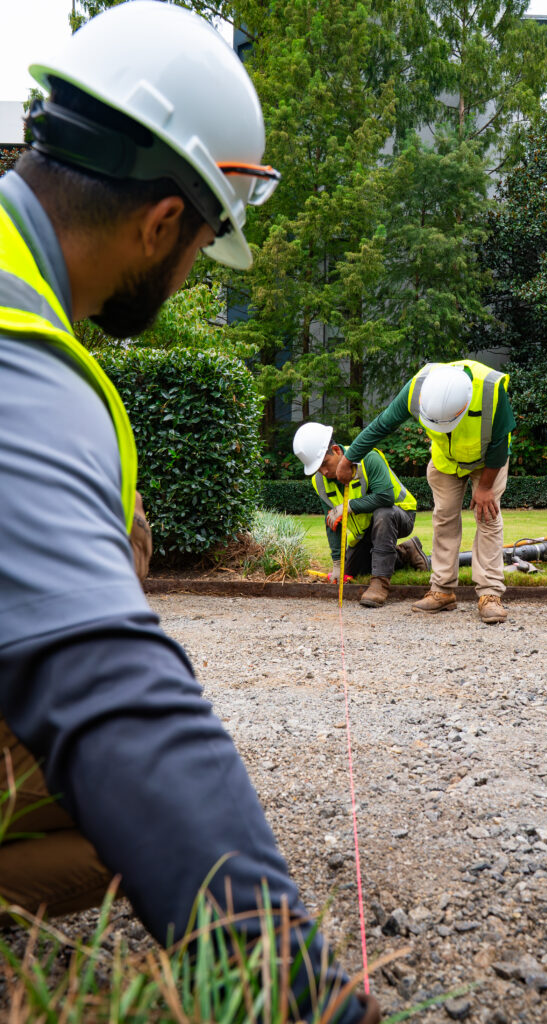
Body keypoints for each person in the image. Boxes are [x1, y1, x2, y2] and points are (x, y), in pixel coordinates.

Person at [0, 5, 378, 1021]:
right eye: (202, 240)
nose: (186, 270)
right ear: (164, 221)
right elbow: (109, 693)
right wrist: (296, 989)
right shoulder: (17, 351)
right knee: (124, 815)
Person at [336, 361, 516, 624]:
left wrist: (486, 487)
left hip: (488, 459)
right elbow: (381, 425)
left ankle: (489, 594)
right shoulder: (417, 389)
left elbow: (501, 441)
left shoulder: (490, 391)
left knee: (487, 516)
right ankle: (442, 591)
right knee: (444, 517)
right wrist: (349, 457)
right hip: (446, 460)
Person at [293, 422, 428, 607]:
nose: (323, 472)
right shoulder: (321, 482)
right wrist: (336, 564)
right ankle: (405, 552)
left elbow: (386, 497)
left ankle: (379, 583)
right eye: (317, 469)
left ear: (336, 450)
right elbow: (331, 523)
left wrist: (349, 506)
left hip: (398, 515)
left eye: (325, 463)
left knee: (383, 513)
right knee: (351, 570)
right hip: (366, 531)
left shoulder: (367, 458)